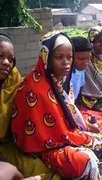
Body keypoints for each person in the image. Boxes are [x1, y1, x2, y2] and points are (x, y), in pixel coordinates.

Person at [11, 32, 102, 179]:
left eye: (69, 57)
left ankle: (99, 146)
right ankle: (98, 148)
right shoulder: (34, 88)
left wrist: (84, 129)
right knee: (85, 161)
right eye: (59, 57)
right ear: (47, 58)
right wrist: (83, 137)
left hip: (68, 133)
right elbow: (40, 137)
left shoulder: (58, 81)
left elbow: (71, 116)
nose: (66, 62)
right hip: (46, 148)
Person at [0, 34, 59, 179]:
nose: (6, 62)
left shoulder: (15, 83)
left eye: (11, 59)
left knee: (45, 170)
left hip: (8, 146)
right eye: (0, 56)